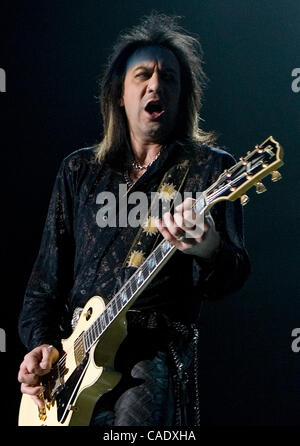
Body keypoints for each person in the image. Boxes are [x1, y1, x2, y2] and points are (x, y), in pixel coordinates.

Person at [17, 13, 250, 426]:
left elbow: (233, 275)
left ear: (182, 97)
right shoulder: (79, 171)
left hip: (152, 356)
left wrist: (209, 247)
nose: (155, 85)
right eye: (142, 75)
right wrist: (42, 347)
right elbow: (43, 288)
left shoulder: (209, 170)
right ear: (119, 95)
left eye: (169, 78)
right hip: (70, 373)